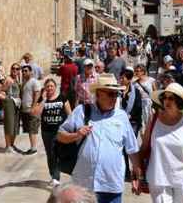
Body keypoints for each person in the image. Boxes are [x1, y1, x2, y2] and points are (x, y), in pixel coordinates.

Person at [57, 74, 141, 203]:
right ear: (98, 93)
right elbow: (60, 135)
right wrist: (76, 135)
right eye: (110, 94)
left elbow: (132, 148)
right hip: (84, 185)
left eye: (116, 94)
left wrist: (136, 175)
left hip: (111, 184)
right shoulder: (82, 111)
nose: (114, 98)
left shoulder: (121, 116)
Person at [136, 82, 183, 202]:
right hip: (158, 178)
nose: (166, 101)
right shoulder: (153, 119)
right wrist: (137, 175)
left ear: (179, 101)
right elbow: (143, 148)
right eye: (164, 97)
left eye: (171, 98)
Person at [33, 77, 72, 187]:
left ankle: (56, 176)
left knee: (58, 153)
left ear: (55, 87)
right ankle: (54, 176)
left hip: (60, 132)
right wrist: (44, 99)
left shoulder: (62, 98)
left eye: (51, 86)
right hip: (47, 132)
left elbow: (70, 114)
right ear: (45, 88)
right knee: (50, 154)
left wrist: (70, 129)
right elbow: (35, 113)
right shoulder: (42, 100)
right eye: (48, 86)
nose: (50, 88)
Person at [0, 63, 22, 153]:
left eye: (17, 69)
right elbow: (2, 90)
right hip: (9, 103)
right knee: (9, 124)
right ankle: (8, 146)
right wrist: (4, 97)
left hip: (17, 104)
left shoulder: (17, 79)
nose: (15, 70)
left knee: (15, 125)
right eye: (13, 68)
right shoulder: (8, 79)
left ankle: (12, 144)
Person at [20, 64, 42, 154]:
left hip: (31, 109)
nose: (24, 72)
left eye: (26, 71)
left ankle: (33, 149)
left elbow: (37, 94)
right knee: (29, 130)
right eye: (23, 71)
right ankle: (32, 147)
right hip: (25, 109)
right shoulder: (24, 82)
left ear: (31, 72)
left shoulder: (34, 82)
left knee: (32, 130)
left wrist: (33, 107)